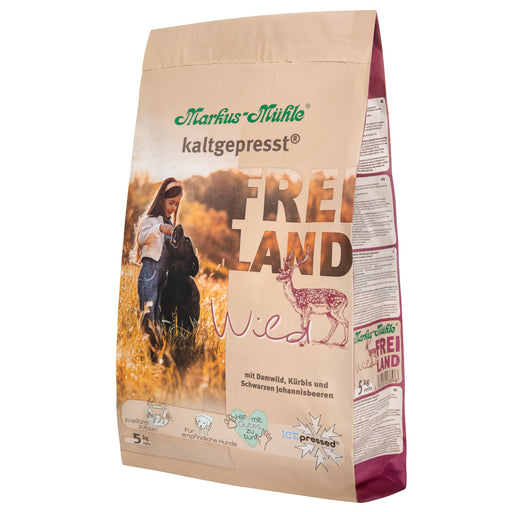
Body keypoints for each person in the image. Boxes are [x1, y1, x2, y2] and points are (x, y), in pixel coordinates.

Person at [135, 177, 183, 331]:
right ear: (162, 199)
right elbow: (142, 238)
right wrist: (159, 228)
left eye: (177, 204)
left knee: (158, 317)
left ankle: (156, 343)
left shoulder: (170, 223)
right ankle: (146, 342)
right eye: (171, 202)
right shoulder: (151, 220)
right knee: (148, 314)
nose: (174, 207)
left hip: (164, 276)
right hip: (150, 273)